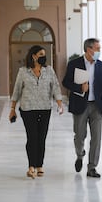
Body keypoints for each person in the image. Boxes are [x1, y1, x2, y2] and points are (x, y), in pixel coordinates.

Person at [9, 45, 64, 179]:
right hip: (27, 109)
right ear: (33, 56)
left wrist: (60, 104)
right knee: (32, 137)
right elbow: (17, 90)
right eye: (40, 54)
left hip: (45, 108)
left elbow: (55, 86)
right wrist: (12, 109)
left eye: (44, 54)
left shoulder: (49, 70)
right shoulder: (23, 71)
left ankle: (40, 165)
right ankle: (31, 166)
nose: (43, 57)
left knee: (41, 138)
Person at [62, 38, 102, 178]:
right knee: (79, 135)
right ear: (89, 50)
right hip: (80, 104)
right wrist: (79, 88)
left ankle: (92, 167)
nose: (99, 51)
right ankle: (80, 154)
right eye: (97, 49)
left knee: (97, 137)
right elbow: (66, 82)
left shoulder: (101, 65)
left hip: (97, 105)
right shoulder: (74, 64)